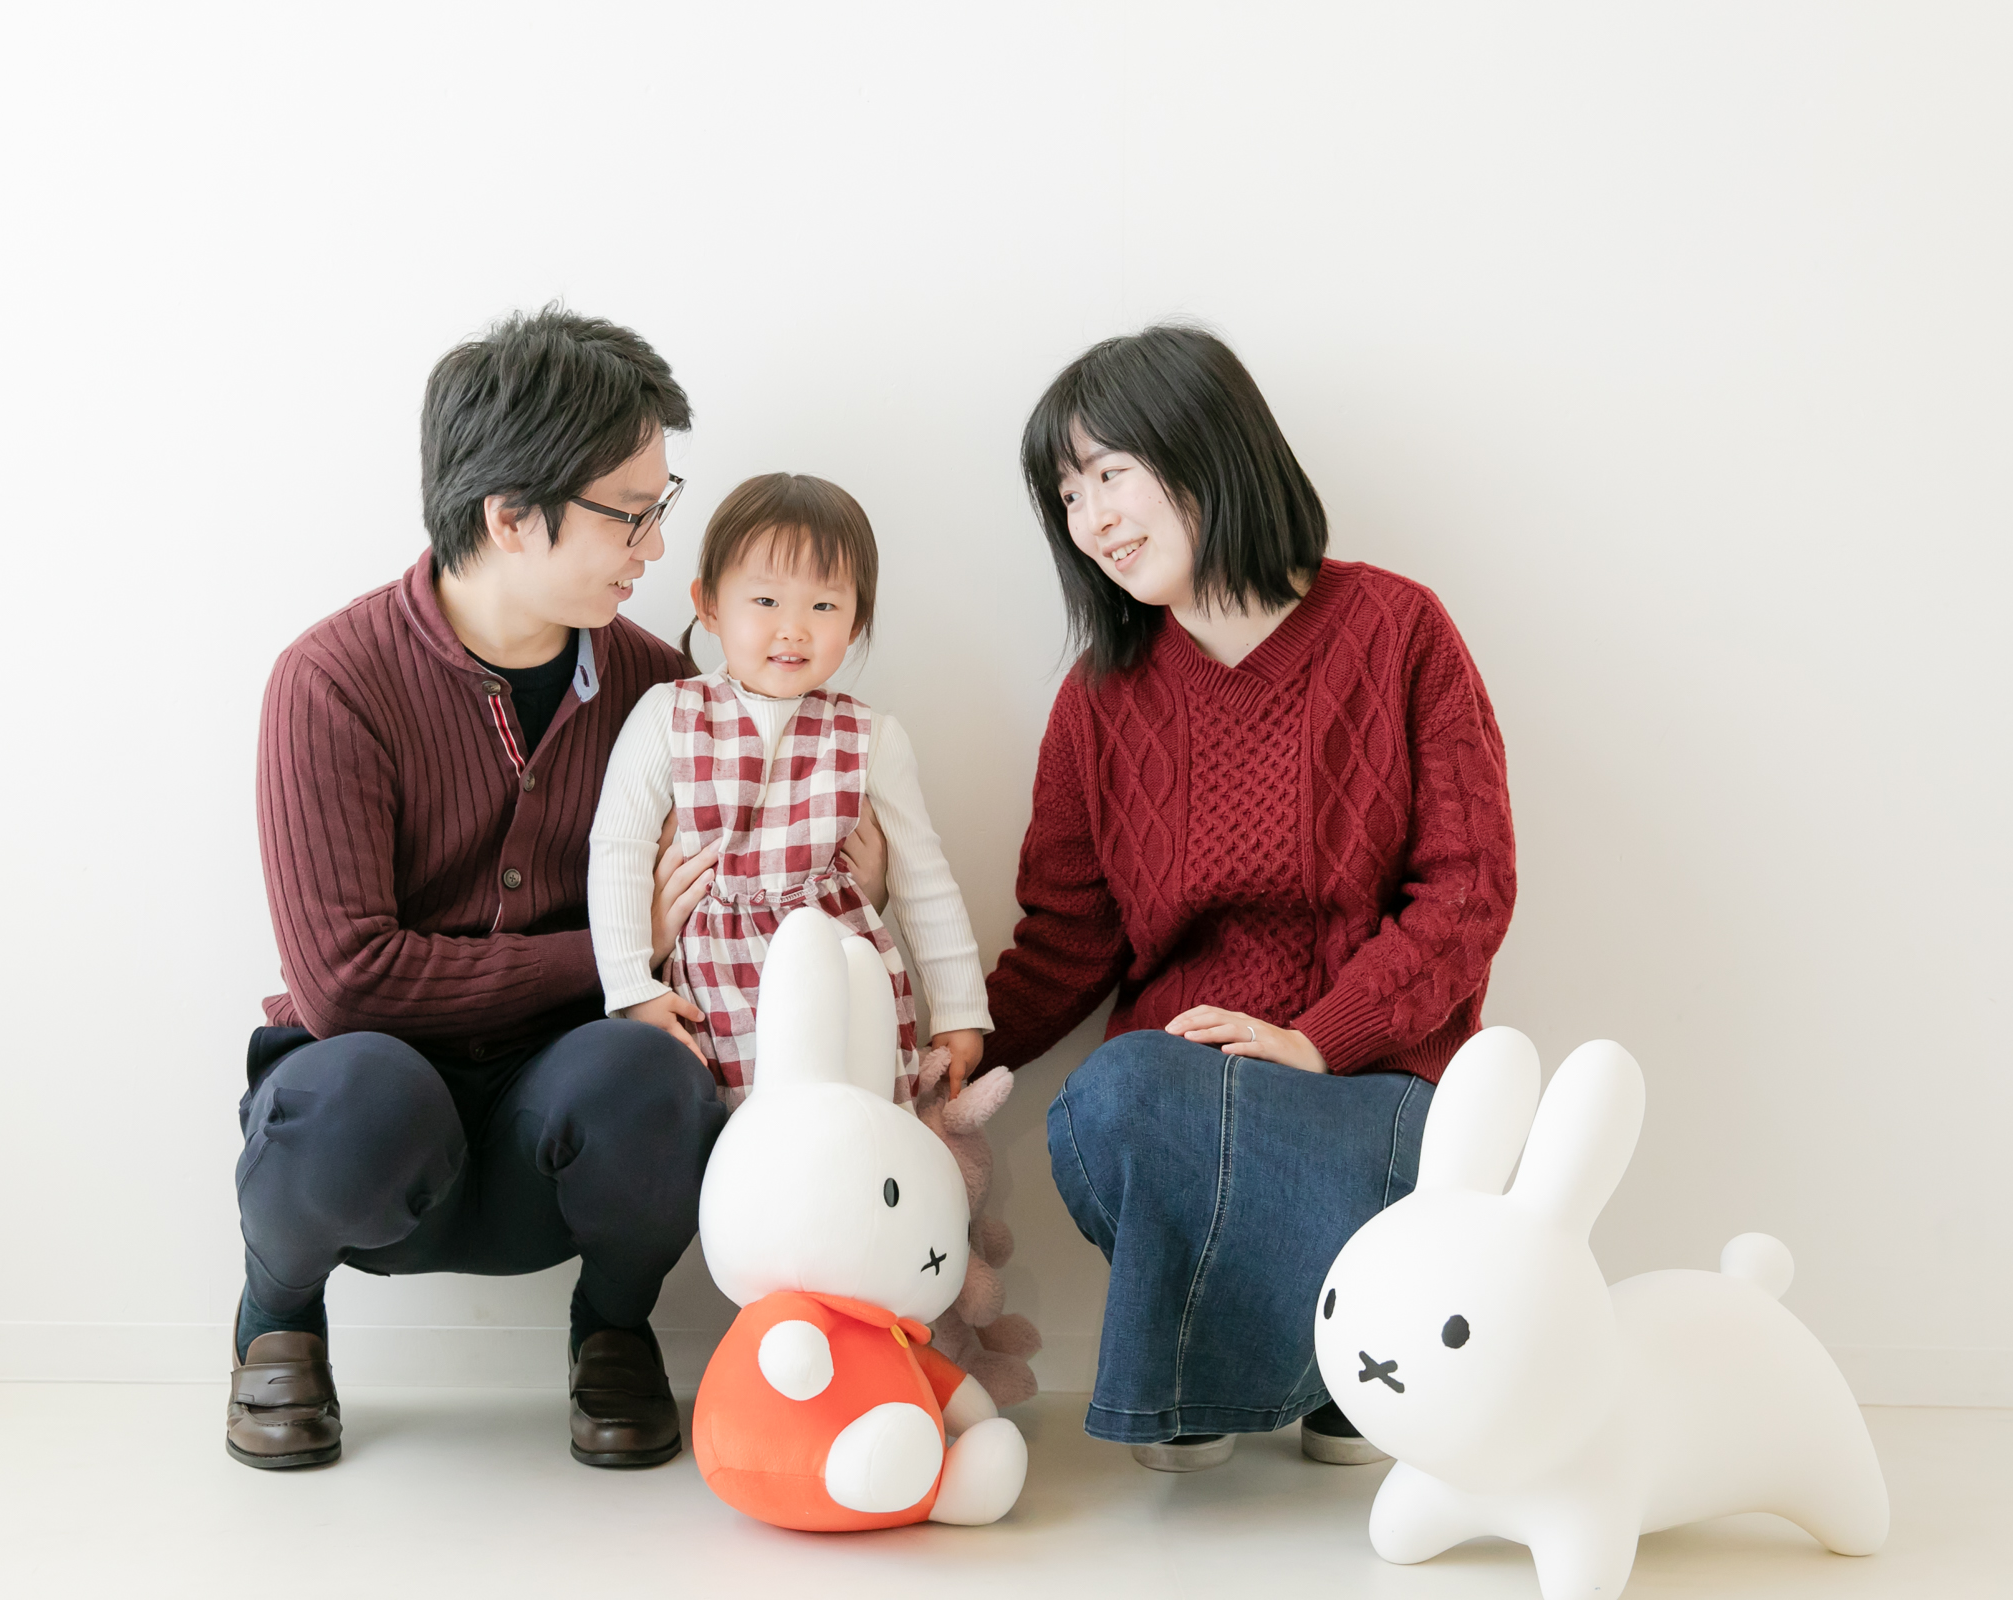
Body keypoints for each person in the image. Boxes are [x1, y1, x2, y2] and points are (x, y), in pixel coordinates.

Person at [229, 308, 889, 1472]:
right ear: (508, 516)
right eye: (628, 513)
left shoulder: (658, 688)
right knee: (352, 1099)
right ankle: (276, 1314)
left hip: (564, 1105)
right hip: (382, 1114)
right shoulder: (332, 682)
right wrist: (608, 946)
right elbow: (346, 982)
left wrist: (851, 890)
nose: (655, 545)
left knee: (656, 1077)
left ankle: (613, 1327)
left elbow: (721, 912)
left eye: (658, 504)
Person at [978, 325, 1516, 1472]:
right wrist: (948, 1051)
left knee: (1360, 1141)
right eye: (1066, 495)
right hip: (1180, 1094)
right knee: (1118, 1097)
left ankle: (1323, 1366)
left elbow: (1469, 890)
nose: (1091, 518)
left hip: (1373, 1086)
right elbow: (1063, 945)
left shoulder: (1398, 629)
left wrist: (1318, 1040)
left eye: (1110, 472)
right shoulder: (1098, 702)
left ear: (1208, 445)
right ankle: (1284, 1372)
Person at [588, 473, 991, 1106]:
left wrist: (960, 1008)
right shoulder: (668, 715)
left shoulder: (871, 736)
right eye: (766, 601)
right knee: (728, 1146)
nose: (794, 628)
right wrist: (631, 986)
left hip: (843, 994)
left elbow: (924, 878)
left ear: (856, 621)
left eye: (824, 606)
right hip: (710, 995)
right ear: (709, 605)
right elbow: (619, 851)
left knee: (851, 1133)